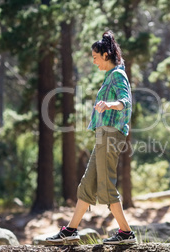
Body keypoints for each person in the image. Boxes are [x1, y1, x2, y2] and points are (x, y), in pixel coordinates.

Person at [46, 30, 136, 245]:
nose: (94, 62)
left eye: (96, 57)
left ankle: (126, 233)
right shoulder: (110, 75)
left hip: (110, 135)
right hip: (103, 136)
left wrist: (109, 105)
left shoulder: (117, 75)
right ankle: (71, 230)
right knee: (88, 184)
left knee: (106, 185)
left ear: (106, 55)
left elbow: (126, 101)